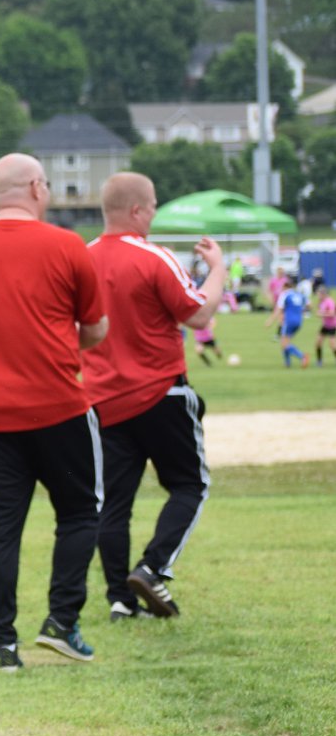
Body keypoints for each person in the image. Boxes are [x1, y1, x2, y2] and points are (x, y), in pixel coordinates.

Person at [0, 154, 107, 670]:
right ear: (37, 187)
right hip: (58, 406)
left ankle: (1, 645)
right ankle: (61, 619)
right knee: (79, 512)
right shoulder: (66, 245)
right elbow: (96, 328)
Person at [84, 173, 222, 622]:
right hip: (161, 392)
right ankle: (153, 567)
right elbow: (199, 315)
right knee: (190, 484)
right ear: (138, 210)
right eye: (154, 206)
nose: (155, 214)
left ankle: (119, 599)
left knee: (113, 503)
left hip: (103, 400)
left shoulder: (81, 260)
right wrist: (217, 268)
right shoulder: (152, 256)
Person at [270, 273, 309, 367]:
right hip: (299, 321)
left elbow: (279, 309)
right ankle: (287, 364)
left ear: (285, 287)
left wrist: (270, 321)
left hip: (289, 321)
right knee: (286, 342)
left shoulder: (285, 295)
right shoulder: (298, 294)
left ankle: (302, 356)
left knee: (284, 344)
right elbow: (308, 305)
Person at [315, 278, 334, 367]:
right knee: (318, 342)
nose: (318, 294)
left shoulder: (329, 301)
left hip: (332, 326)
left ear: (324, 293)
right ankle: (319, 361)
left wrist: (321, 313)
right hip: (325, 325)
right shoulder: (321, 301)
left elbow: (332, 313)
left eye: (319, 293)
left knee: (333, 345)